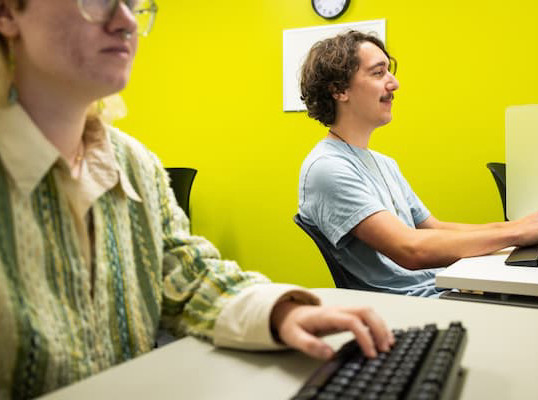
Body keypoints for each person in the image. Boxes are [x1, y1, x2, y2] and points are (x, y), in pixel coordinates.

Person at [0, 3, 395, 398]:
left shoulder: (135, 165)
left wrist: (283, 312)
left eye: (134, 4)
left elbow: (188, 278)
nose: (125, 22)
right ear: (7, 13)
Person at [298, 30, 538, 297]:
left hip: (444, 286)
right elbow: (412, 250)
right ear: (339, 90)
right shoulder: (327, 168)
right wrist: (516, 235)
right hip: (415, 304)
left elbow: (435, 229)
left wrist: (520, 227)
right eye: (379, 73)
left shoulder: (383, 163)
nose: (394, 83)